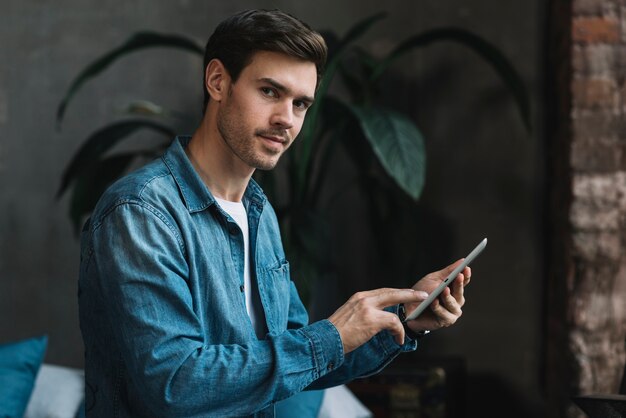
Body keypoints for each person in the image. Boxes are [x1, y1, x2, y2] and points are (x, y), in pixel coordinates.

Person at [78, 9, 471, 418]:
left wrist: (404, 320)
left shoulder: (257, 211)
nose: (286, 119)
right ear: (218, 81)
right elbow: (177, 385)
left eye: (301, 104)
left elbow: (295, 360)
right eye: (269, 91)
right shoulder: (140, 212)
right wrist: (330, 336)